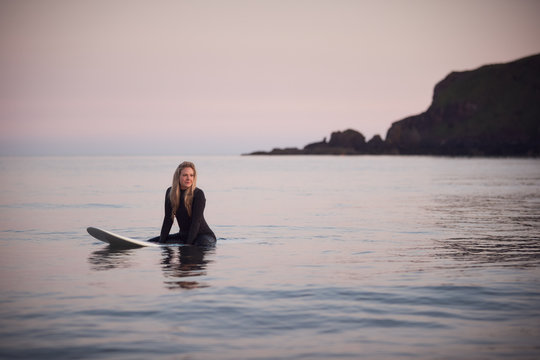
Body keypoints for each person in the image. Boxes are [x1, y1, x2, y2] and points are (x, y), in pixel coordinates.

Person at [150, 161, 216, 247]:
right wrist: (161, 243)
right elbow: (168, 220)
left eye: (191, 175)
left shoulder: (198, 194)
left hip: (204, 236)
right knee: (152, 241)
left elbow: (196, 222)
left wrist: (187, 245)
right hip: (183, 236)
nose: (189, 178)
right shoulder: (170, 192)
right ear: (178, 176)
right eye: (185, 175)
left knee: (198, 245)